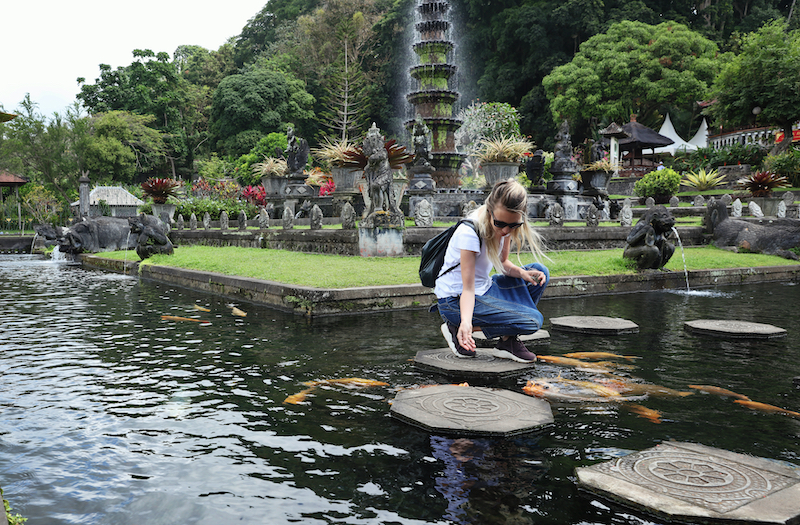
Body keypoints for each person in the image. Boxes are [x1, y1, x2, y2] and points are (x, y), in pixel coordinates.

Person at [434, 179, 549, 362]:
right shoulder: (469, 233)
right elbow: (468, 289)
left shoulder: (506, 226)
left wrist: (522, 273)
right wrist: (466, 323)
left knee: (540, 272)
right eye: (500, 224)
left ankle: (507, 340)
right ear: (489, 211)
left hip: (484, 288)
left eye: (513, 225)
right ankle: (455, 327)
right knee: (532, 321)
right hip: (455, 301)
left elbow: (502, 263)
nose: (506, 230)